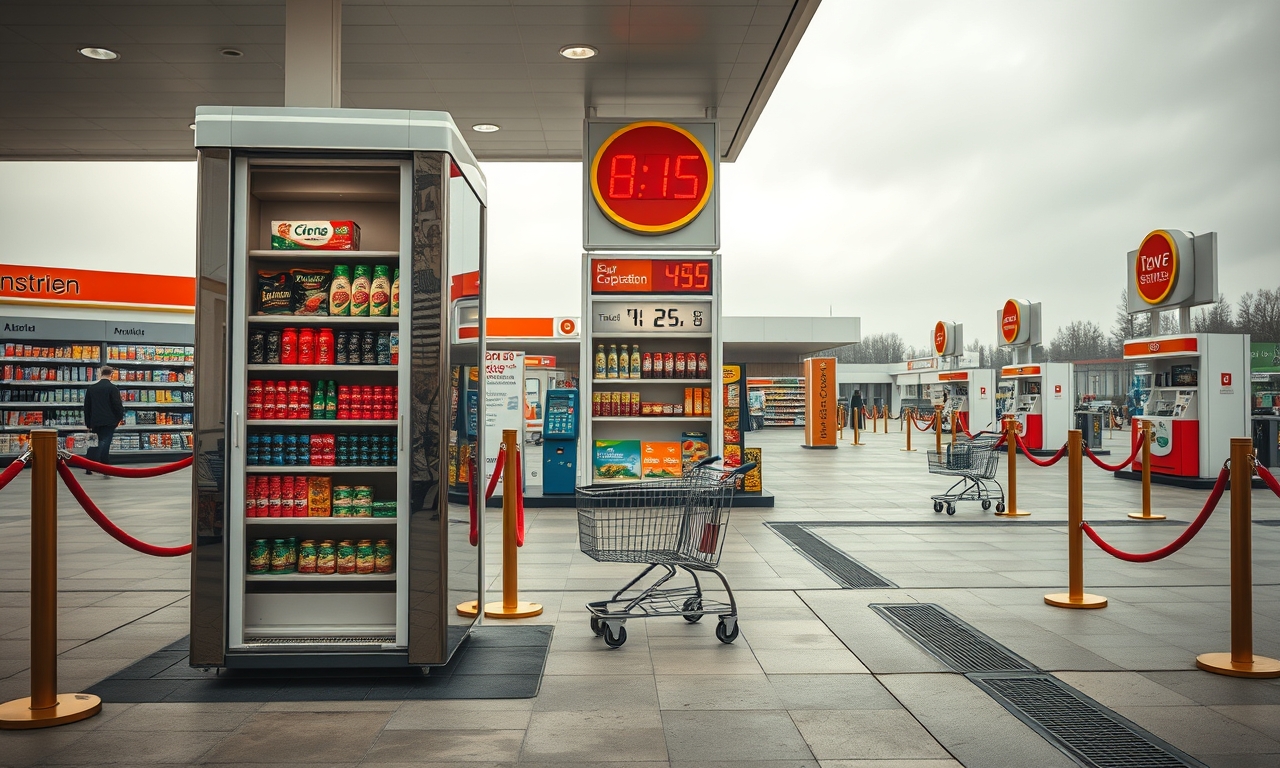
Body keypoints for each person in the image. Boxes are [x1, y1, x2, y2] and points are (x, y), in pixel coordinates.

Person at [83, 365, 124, 476]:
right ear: (111, 375)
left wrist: (88, 422)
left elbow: (87, 407)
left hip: (95, 420)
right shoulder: (113, 388)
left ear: (101, 373)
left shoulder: (91, 388)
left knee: (94, 442)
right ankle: (103, 466)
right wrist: (119, 418)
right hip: (109, 421)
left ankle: (88, 465)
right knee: (105, 442)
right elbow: (117, 406)